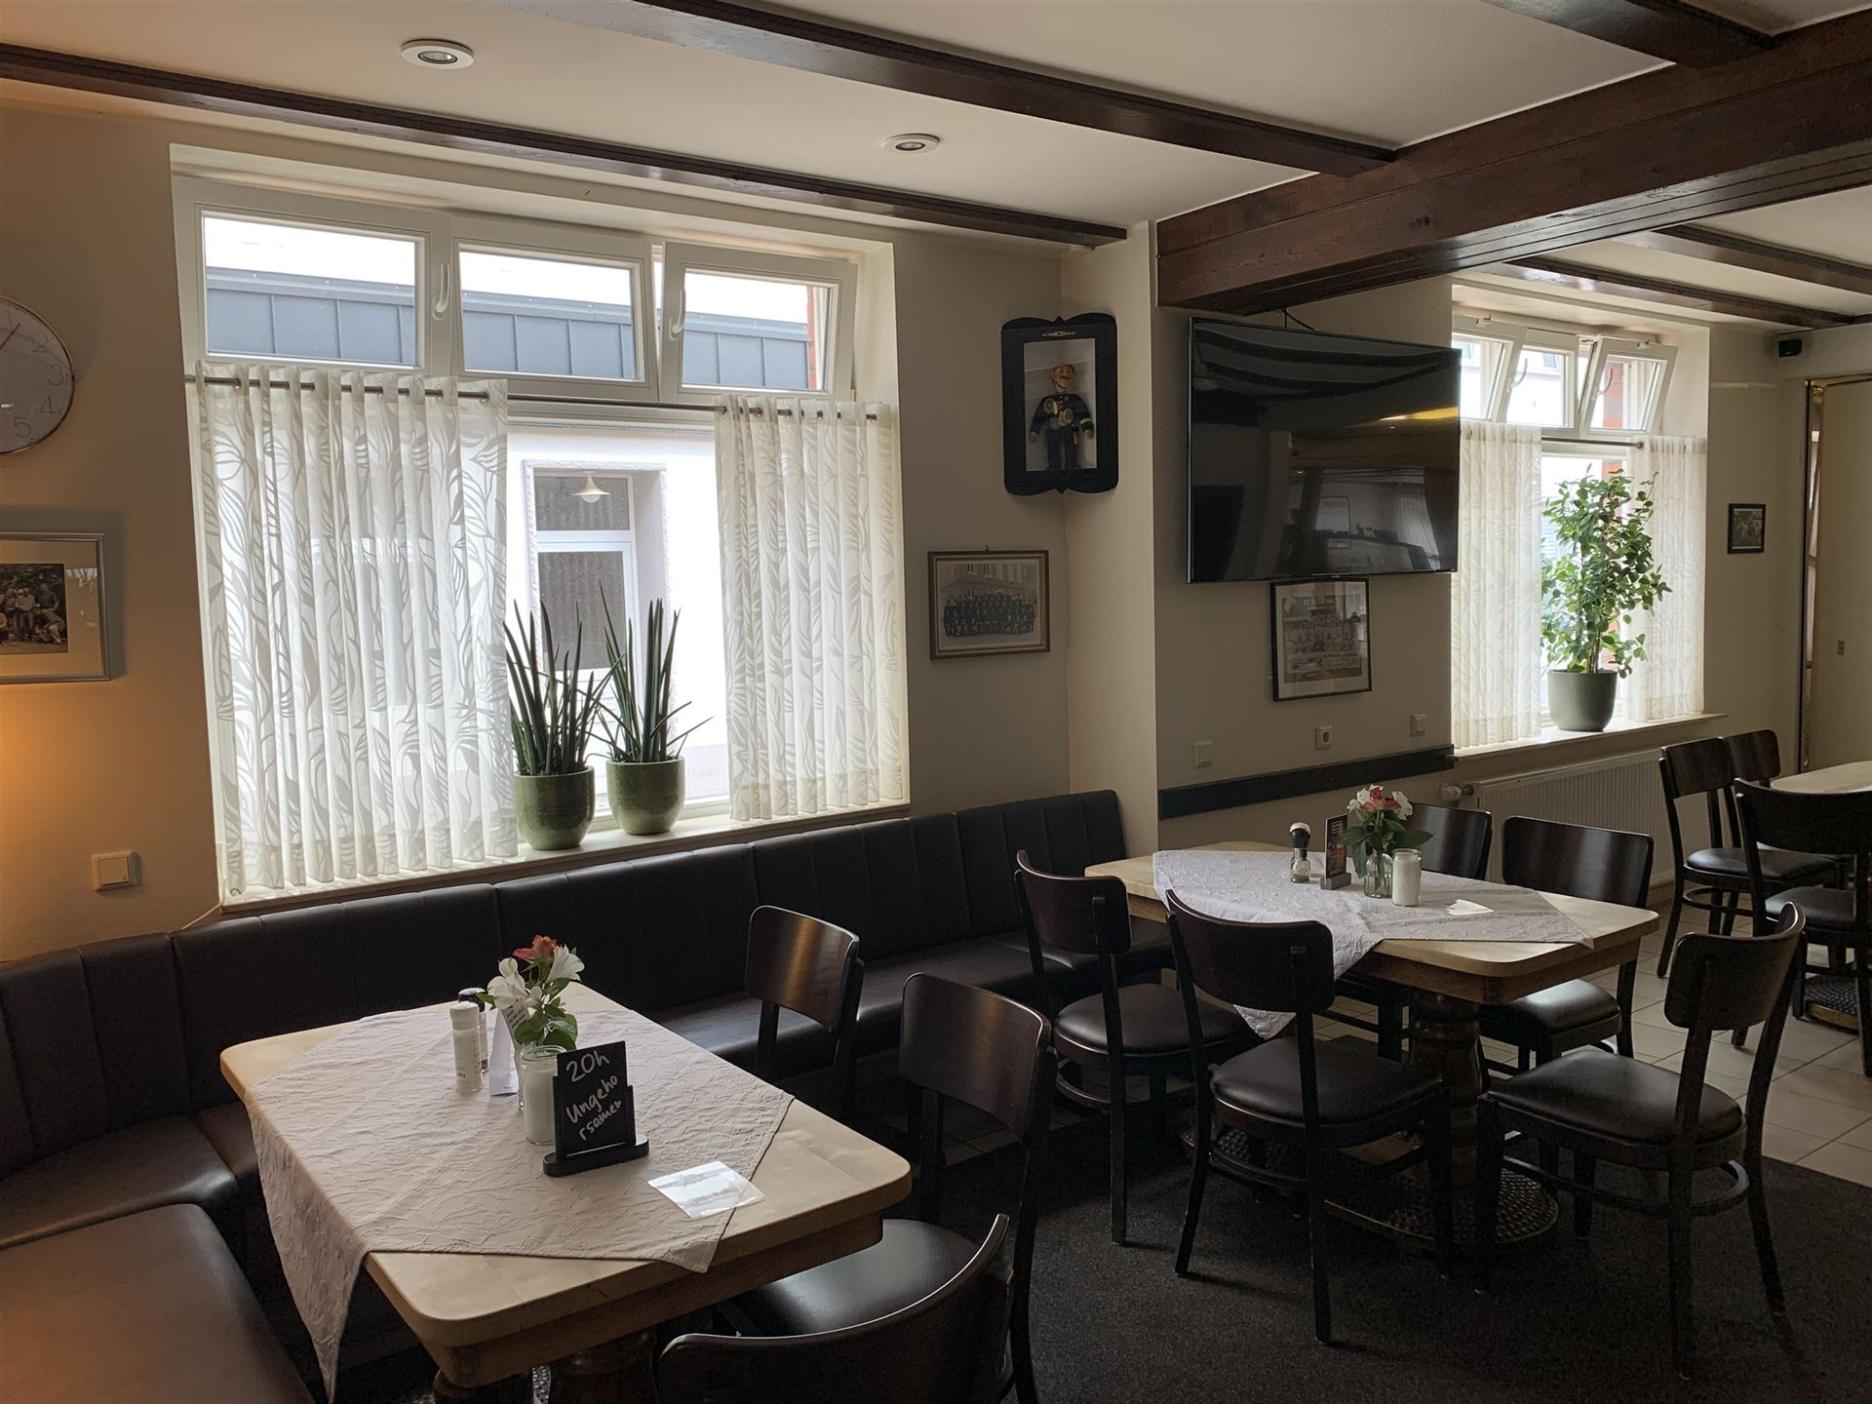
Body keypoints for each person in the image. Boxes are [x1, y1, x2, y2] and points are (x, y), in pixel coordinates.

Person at [1028, 361, 1094, 474]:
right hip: (1052, 431)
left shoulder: (1074, 399)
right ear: (1053, 375)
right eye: (1061, 371)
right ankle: (1053, 468)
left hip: (1070, 430)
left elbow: (1083, 414)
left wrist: (1087, 428)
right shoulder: (1047, 400)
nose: (1065, 374)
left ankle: (1072, 467)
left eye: (1068, 371)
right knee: (1052, 450)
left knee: (1071, 449)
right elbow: (1040, 416)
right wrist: (1035, 431)